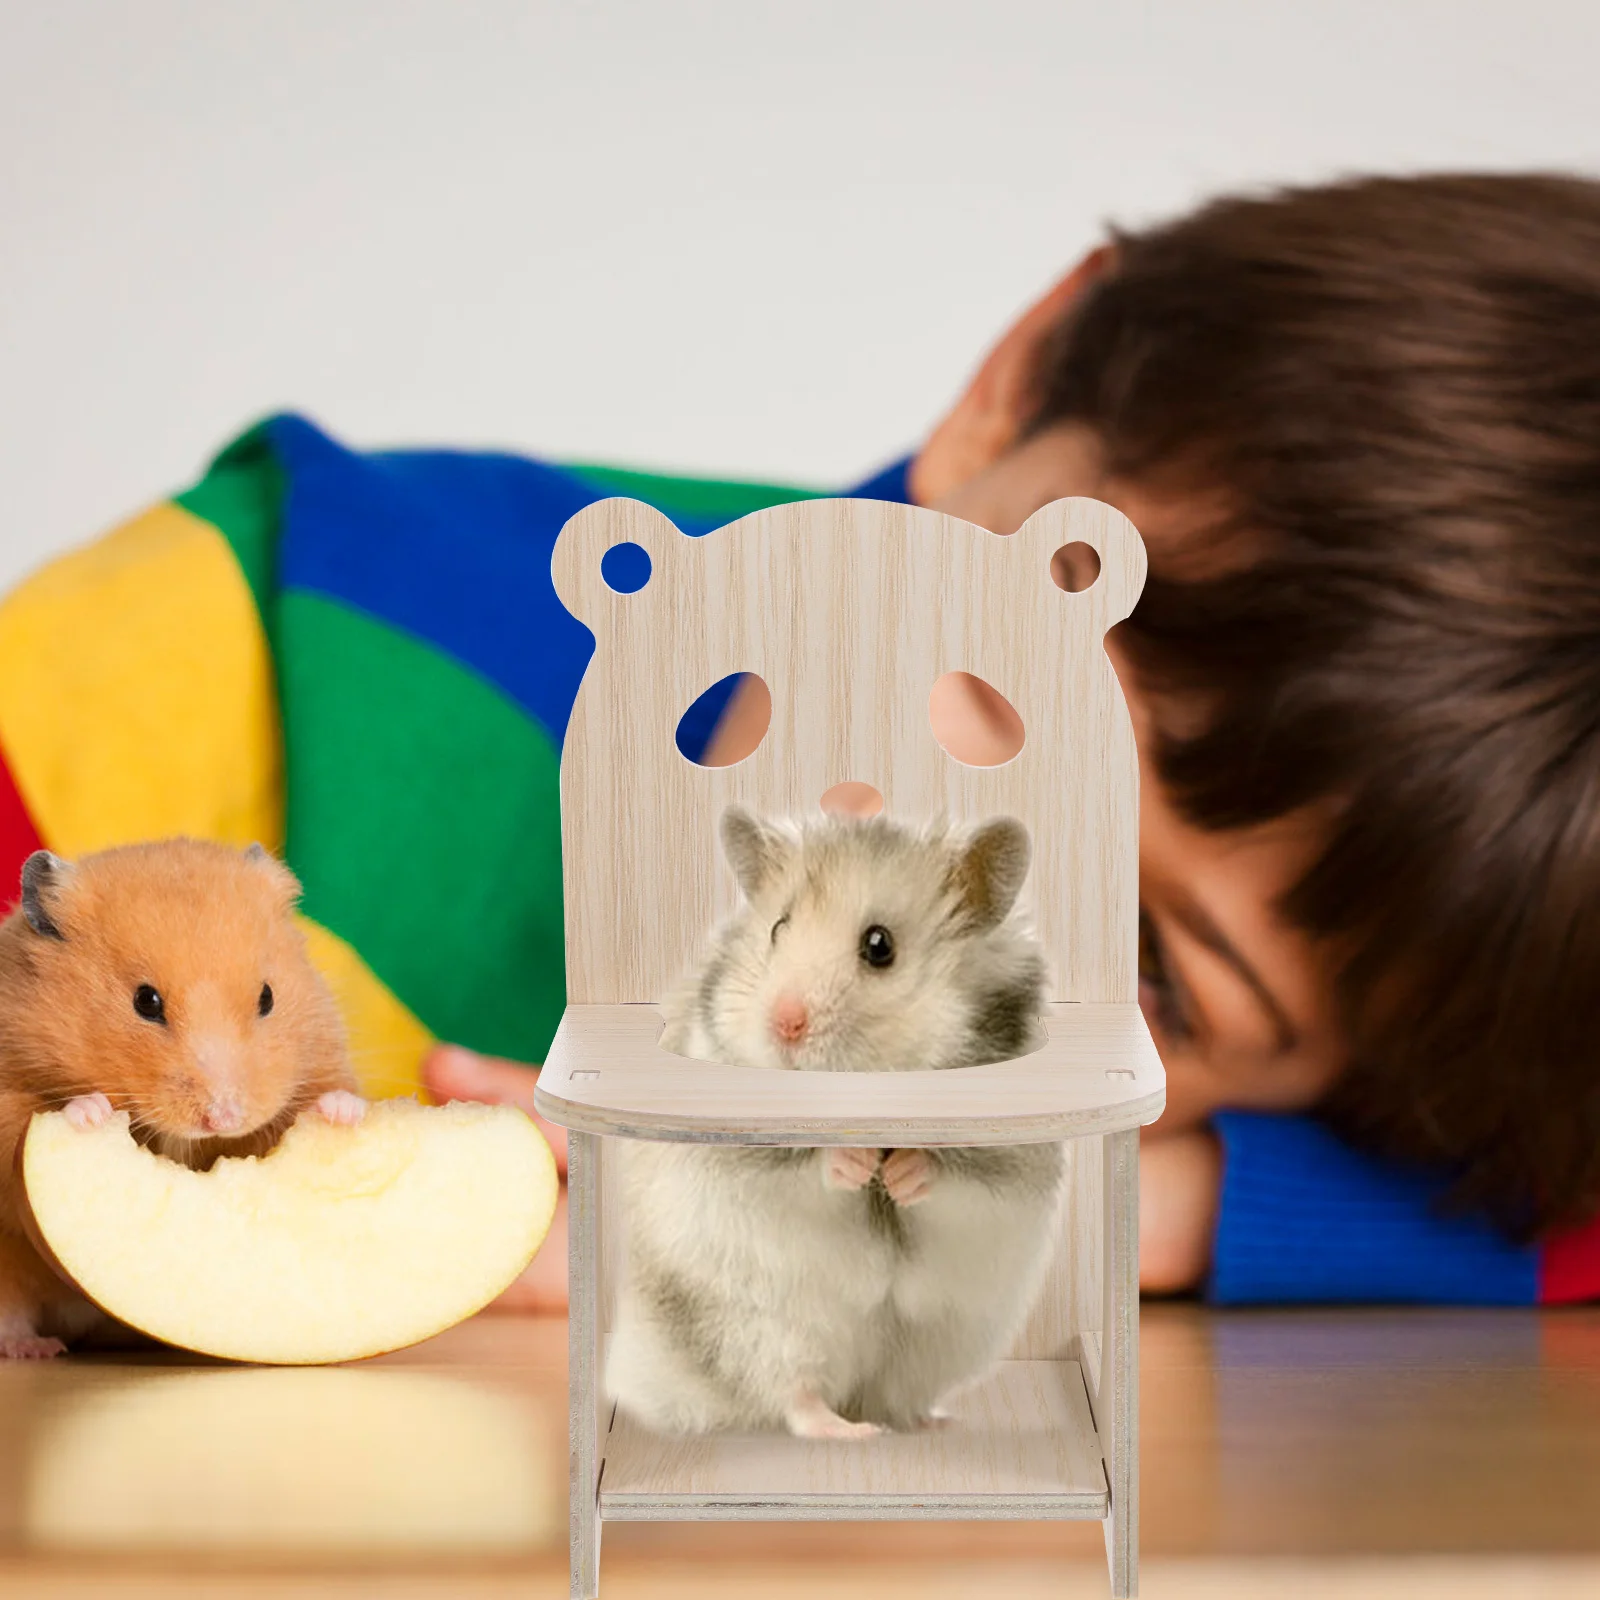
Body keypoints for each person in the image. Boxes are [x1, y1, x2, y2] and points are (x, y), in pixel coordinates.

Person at [4, 172, 1598, 1312]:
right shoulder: (209, 646)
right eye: (992, 697)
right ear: (1018, 381)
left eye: (1159, 966)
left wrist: (1143, 1214)